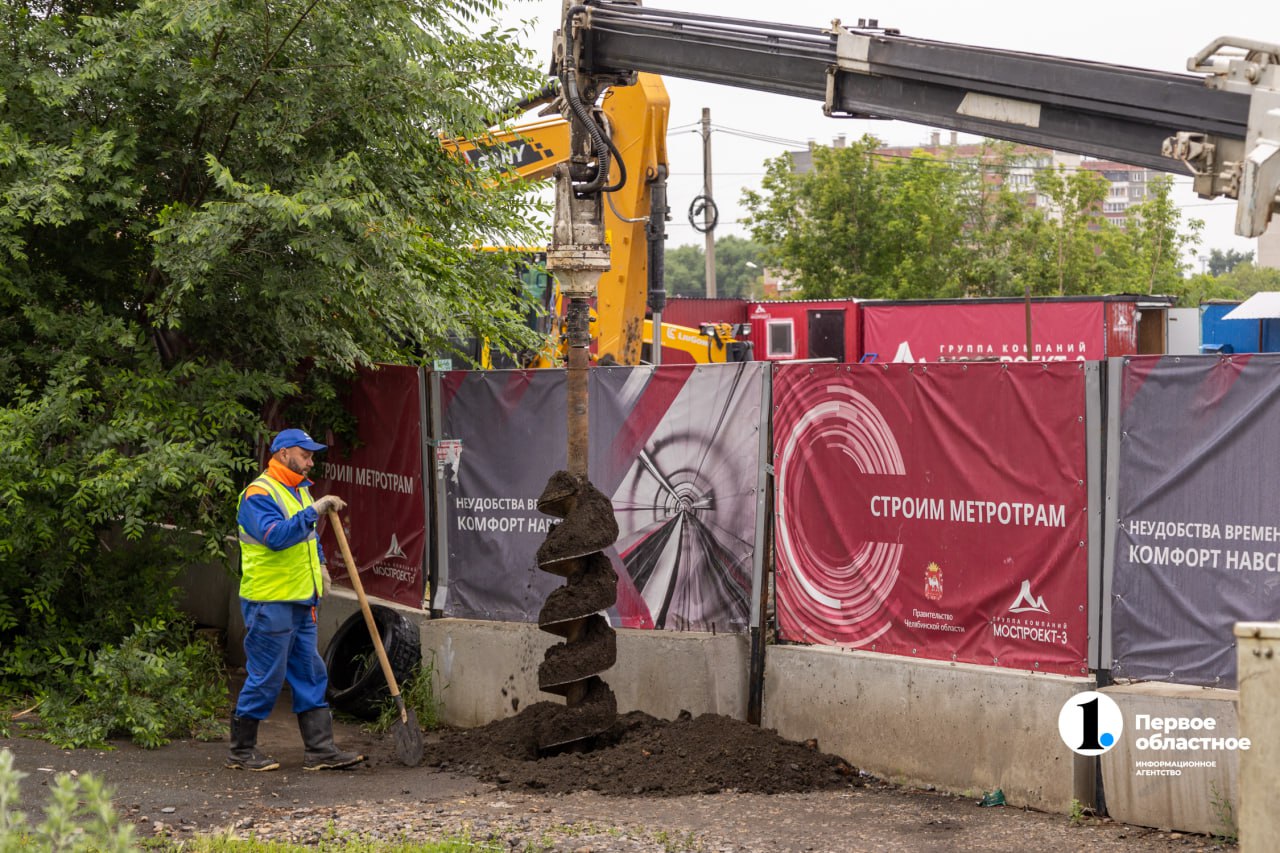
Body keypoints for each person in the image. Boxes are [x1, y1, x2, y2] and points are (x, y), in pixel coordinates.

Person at [226, 427, 364, 772]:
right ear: (284, 453)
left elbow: (308, 540)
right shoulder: (259, 494)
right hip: (269, 601)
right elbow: (276, 536)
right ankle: (241, 751)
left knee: (310, 672)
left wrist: (320, 566)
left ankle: (320, 751)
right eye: (305, 454)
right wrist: (313, 512)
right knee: (267, 676)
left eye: (312, 454)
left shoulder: (299, 491)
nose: (310, 460)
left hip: (302, 600)